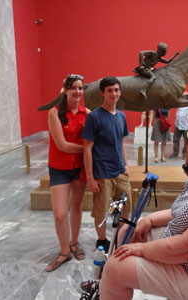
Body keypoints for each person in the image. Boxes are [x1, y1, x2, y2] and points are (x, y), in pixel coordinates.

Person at [80, 117, 188, 300]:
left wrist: (142, 250)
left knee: (117, 267)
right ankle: (108, 285)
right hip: (185, 252)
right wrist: (148, 220)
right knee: (128, 230)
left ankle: (110, 281)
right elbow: (176, 212)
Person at [45, 74, 90, 272]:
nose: (77, 91)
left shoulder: (87, 113)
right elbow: (62, 145)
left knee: (76, 206)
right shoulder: (54, 113)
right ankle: (64, 252)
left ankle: (74, 243)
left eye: (80, 88)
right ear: (65, 90)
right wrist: (86, 149)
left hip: (79, 167)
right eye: (73, 88)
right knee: (60, 214)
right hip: (59, 168)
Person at [82, 76, 132, 253]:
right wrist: (90, 177)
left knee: (125, 208)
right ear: (102, 93)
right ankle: (102, 239)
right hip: (102, 173)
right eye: (110, 90)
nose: (114, 93)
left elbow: (121, 142)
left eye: (116, 90)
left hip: (120, 172)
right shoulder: (94, 117)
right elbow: (87, 148)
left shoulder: (121, 116)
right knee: (102, 211)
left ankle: (121, 236)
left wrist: (126, 165)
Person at [173, 93, 188, 158]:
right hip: (178, 125)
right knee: (175, 140)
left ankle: (185, 154)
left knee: (187, 141)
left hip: (187, 126)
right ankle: (175, 153)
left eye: (184, 96)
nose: (183, 97)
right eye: (182, 96)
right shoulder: (179, 103)